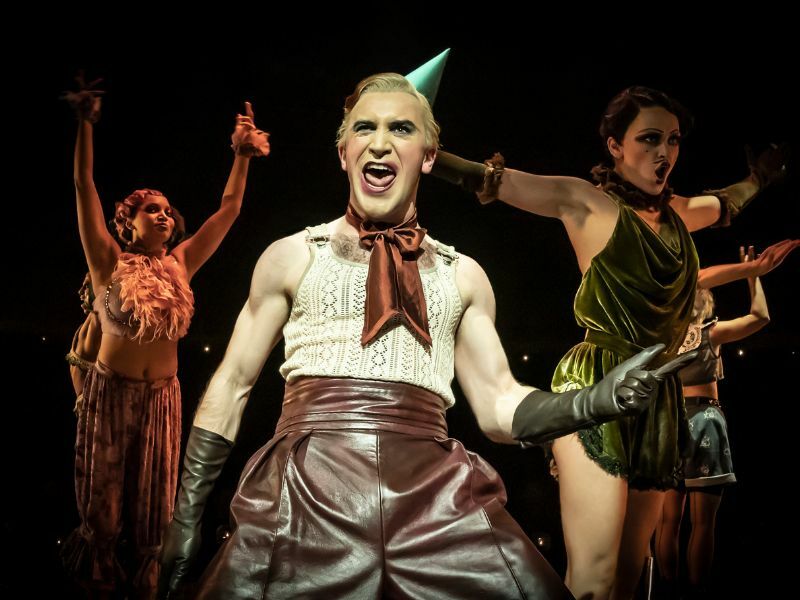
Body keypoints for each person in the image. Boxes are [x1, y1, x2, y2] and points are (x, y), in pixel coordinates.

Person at [157, 72, 693, 600]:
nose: (381, 142)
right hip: (307, 490)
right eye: (365, 128)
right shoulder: (293, 255)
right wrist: (185, 518)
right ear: (344, 151)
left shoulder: (463, 274)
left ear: (430, 156)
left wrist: (595, 401)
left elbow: (500, 407)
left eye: (402, 129)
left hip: (434, 498)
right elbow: (231, 385)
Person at [429, 86, 787, 598]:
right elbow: (493, 180)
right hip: (596, 384)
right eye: (648, 139)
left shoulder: (678, 215)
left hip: (659, 398)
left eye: (673, 141)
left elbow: (726, 204)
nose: (664, 152)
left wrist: (758, 179)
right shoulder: (587, 203)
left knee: (630, 577)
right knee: (595, 578)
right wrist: (419, 148)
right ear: (615, 146)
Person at [60, 74, 270, 598]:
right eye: (148, 208)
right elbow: (84, 186)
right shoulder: (108, 261)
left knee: (155, 513)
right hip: (110, 393)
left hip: (164, 400)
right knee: (103, 511)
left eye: (165, 210)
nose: (162, 214)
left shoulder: (180, 264)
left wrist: (241, 155)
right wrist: (85, 126)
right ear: (127, 222)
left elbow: (229, 211)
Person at [656, 243, 796, 598]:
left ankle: (664, 590)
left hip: (670, 423)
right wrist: (753, 276)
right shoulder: (710, 333)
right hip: (703, 420)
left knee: (668, 520)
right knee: (703, 523)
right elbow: (760, 317)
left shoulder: (663, 340)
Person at [65, 273, 102, 414]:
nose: (81, 291)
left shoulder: (90, 326)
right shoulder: (95, 324)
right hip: (95, 412)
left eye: (86, 285)